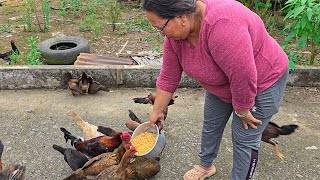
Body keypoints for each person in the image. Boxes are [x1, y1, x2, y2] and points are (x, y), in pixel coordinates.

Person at [142, 0, 289, 179]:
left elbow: (243, 75)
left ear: (181, 17)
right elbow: (168, 76)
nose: (161, 34)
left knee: (244, 139)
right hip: (222, 83)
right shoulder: (175, 38)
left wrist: (242, 110)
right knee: (212, 124)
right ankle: (205, 166)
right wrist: (158, 110)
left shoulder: (222, 25)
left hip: (263, 81)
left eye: (161, 27)